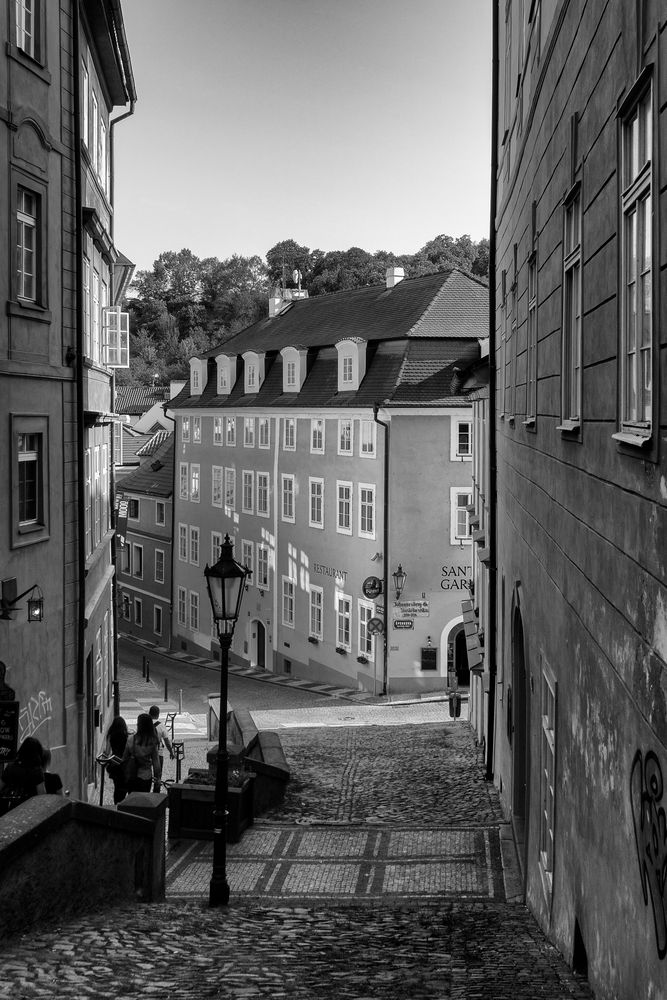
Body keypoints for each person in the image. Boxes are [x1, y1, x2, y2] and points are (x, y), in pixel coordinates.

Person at [0, 736, 46, 814]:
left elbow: (0, 786)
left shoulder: (11, 766)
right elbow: (41, 795)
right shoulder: (36, 770)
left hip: (11, 809)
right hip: (29, 811)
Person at [121, 713, 160, 793]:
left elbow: (124, 759)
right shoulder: (152, 742)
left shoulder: (131, 739)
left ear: (139, 725)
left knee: (132, 800)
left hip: (132, 776)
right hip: (146, 776)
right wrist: (158, 778)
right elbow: (156, 763)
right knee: (144, 801)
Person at [148, 705, 174, 792]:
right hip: (158, 753)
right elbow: (166, 741)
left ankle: (145, 791)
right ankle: (156, 794)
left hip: (146, 753)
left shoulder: (145, 724)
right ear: (158, 715)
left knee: (146, 774)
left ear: (149, 713)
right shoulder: (161, 726)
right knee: (157, 775)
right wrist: (171, 752)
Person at [104, 716, 129, 804]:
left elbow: (107, 752)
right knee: (125, 785)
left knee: (117, 786)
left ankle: (117, 804)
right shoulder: (126, 735)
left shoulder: (110, 735)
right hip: (125, 763)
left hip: (114, 763)